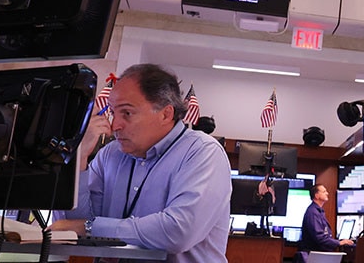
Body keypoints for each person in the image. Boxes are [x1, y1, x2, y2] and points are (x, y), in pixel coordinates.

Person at [50, 64, 232, 263]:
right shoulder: (110, 154)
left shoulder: (202, 152)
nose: (114, 125)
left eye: (127, 113)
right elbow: (69, 224)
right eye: (113, 112)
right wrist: (80, 158)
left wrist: (89, 228)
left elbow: (178, 232)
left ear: (165, 114)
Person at [294, 184, 354, 262]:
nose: (327, 193)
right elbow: (320, 238)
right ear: (317, 195)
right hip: (315, 255)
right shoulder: (313, 213)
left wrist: (338, 242)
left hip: (319, 253)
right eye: (324, 191)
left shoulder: (318, 211)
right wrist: (339, 243)